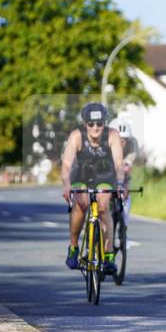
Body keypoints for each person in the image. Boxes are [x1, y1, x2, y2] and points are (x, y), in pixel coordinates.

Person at [60, 103, 125, 274]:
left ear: (105, 123)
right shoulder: (76, 136)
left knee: (103, 207)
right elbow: (66, 165)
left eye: (100, 123)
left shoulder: (112, 135)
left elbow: (119, 164)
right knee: (81, 204)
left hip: (105, 176)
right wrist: (67, 187)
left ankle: (109, 254)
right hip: (81, 176)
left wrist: (119, 184)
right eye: (91, 124)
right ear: (85, 124)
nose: (96, 128)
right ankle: (73, 247)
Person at [111, 119, 139, 225]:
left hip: (122, 172)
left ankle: (124, 225)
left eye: (124, 140)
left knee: (126, 191)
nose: (121, 143)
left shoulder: (132, 145)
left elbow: (129, 163)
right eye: (118, 140)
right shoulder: (105, 144)